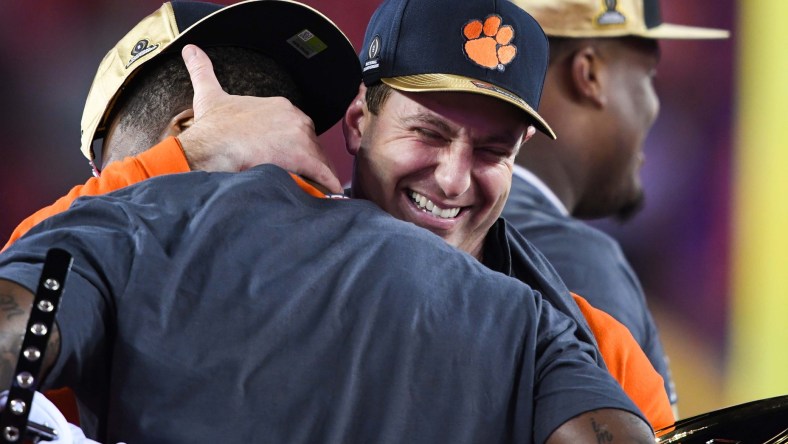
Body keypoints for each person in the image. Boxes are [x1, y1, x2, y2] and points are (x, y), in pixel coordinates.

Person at [2, 0, 674, 431]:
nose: (452, 177)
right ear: (358, 125)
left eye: (492, 149)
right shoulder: (162, 277)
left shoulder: (587, 340)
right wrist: (185, 161)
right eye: (429, 133)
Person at [500, 0, 730, 411]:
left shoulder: (422, 217)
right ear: (588, 75)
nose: (653, 109)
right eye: (647, 78)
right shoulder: (575, 261)